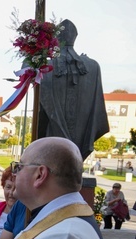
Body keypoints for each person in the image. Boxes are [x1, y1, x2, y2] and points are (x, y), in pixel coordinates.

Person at [38, 20, 109, 160]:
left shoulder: (44, 67)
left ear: (56, 38)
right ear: (75, 36)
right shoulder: (93, 66)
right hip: (80, 138)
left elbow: (41, 111)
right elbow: (97, 109)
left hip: (52, 141)